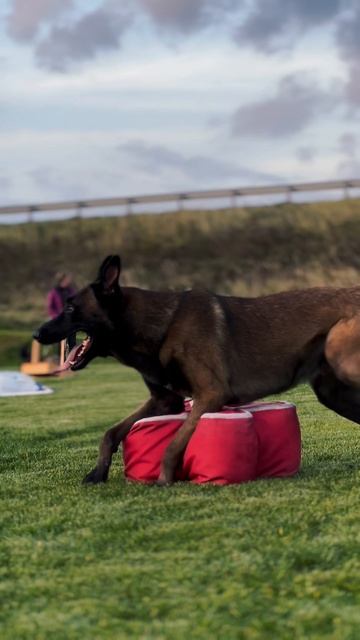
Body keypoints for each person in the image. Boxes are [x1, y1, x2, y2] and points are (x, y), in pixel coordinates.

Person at [47, 273, 77, 350]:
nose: (68, 281)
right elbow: (50, 307)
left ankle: (72, 355)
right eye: (66, 279)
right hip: (58, 318)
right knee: (59, 339)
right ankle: (59, 355)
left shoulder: (71, 291)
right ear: (62, 280)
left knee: (72, 338)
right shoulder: (54, 292)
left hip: (69, 318)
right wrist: (56, 316)